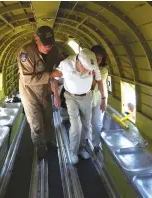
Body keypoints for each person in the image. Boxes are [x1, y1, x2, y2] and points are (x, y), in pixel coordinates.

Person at [52, 48, 106, 165]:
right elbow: (53, 78)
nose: (86, 71)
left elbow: (99, 80)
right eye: (84, 68)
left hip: (86, 96)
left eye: (88, 69)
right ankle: (73, 151)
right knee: (76, 125)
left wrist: (103, 98)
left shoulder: (93, 65)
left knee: (86, 125)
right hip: (71, 97)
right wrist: (56, 96)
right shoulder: (66, 64)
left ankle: (82, 148)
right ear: (78, 61)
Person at [17, 26, 62, 160]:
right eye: (45, 43)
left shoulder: (54, 51)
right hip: (29, 93)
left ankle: (49, 142)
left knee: (48, 118)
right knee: (36, 123)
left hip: (44, 91)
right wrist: (50, 74)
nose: (48, 46)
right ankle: (40, 146)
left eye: (50, 43)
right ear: (36, 39)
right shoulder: (25, 53)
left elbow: (61, 65)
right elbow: (27, 78)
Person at [89, 45, 109, 153]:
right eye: (95, 58)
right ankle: (86, 141)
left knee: (96, 122)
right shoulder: (83, 66)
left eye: (100, 59)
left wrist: (104, 100)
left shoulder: (103, 70)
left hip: (99, 98)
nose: (97, 61)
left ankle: (96, 144)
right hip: (86, 98)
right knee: (85, 121)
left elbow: (95, 84)